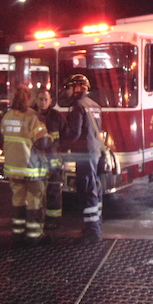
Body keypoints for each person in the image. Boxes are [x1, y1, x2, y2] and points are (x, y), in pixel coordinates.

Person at [1, 85, 52, 246]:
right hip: (30, 168)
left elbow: (2, 135)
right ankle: (34, 235)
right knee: (35, 199)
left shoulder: (7, 116)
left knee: (18, 199)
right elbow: (43, 141)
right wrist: (51, 138)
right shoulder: (32, 117)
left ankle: (18, 232)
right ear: (28, 99)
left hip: (12, 167)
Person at [60, 74, 104, 243]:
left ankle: (92, 232)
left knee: (86, 189)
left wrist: (61, 146)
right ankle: (95, 224)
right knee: (95, 187)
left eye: (69, 87)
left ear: (78, 88)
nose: (67, 91)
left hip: (84, 154)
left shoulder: (77, 106)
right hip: (95, 152)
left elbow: (75, 133)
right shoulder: (95, 105)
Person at [33, 88, 67, 230]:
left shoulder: (57, 117)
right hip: (36, 160)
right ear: (36, 100)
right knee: (36, 191)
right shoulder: (31, 116)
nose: (43, 102)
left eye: (46, 99)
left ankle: (53, 218)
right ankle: (36, 217)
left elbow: (65, 138)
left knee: (53, 190)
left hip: (53, 160)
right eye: (41, 99)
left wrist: (62, 156)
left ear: (51, 101)